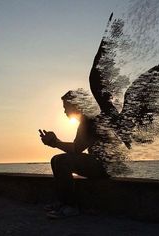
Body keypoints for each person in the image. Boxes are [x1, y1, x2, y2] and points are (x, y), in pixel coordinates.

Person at [39, 90, 109, 219]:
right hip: (100, 164)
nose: (65, 111)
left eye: (66, 107)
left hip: (105, 166)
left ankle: (71, 206)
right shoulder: (87, 121)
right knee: (56, 159)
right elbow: (77, 148)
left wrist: (55, 143)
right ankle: (63, 202)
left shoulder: (90, 121)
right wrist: (56, 142)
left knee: (61, 161)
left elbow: (76, 149)